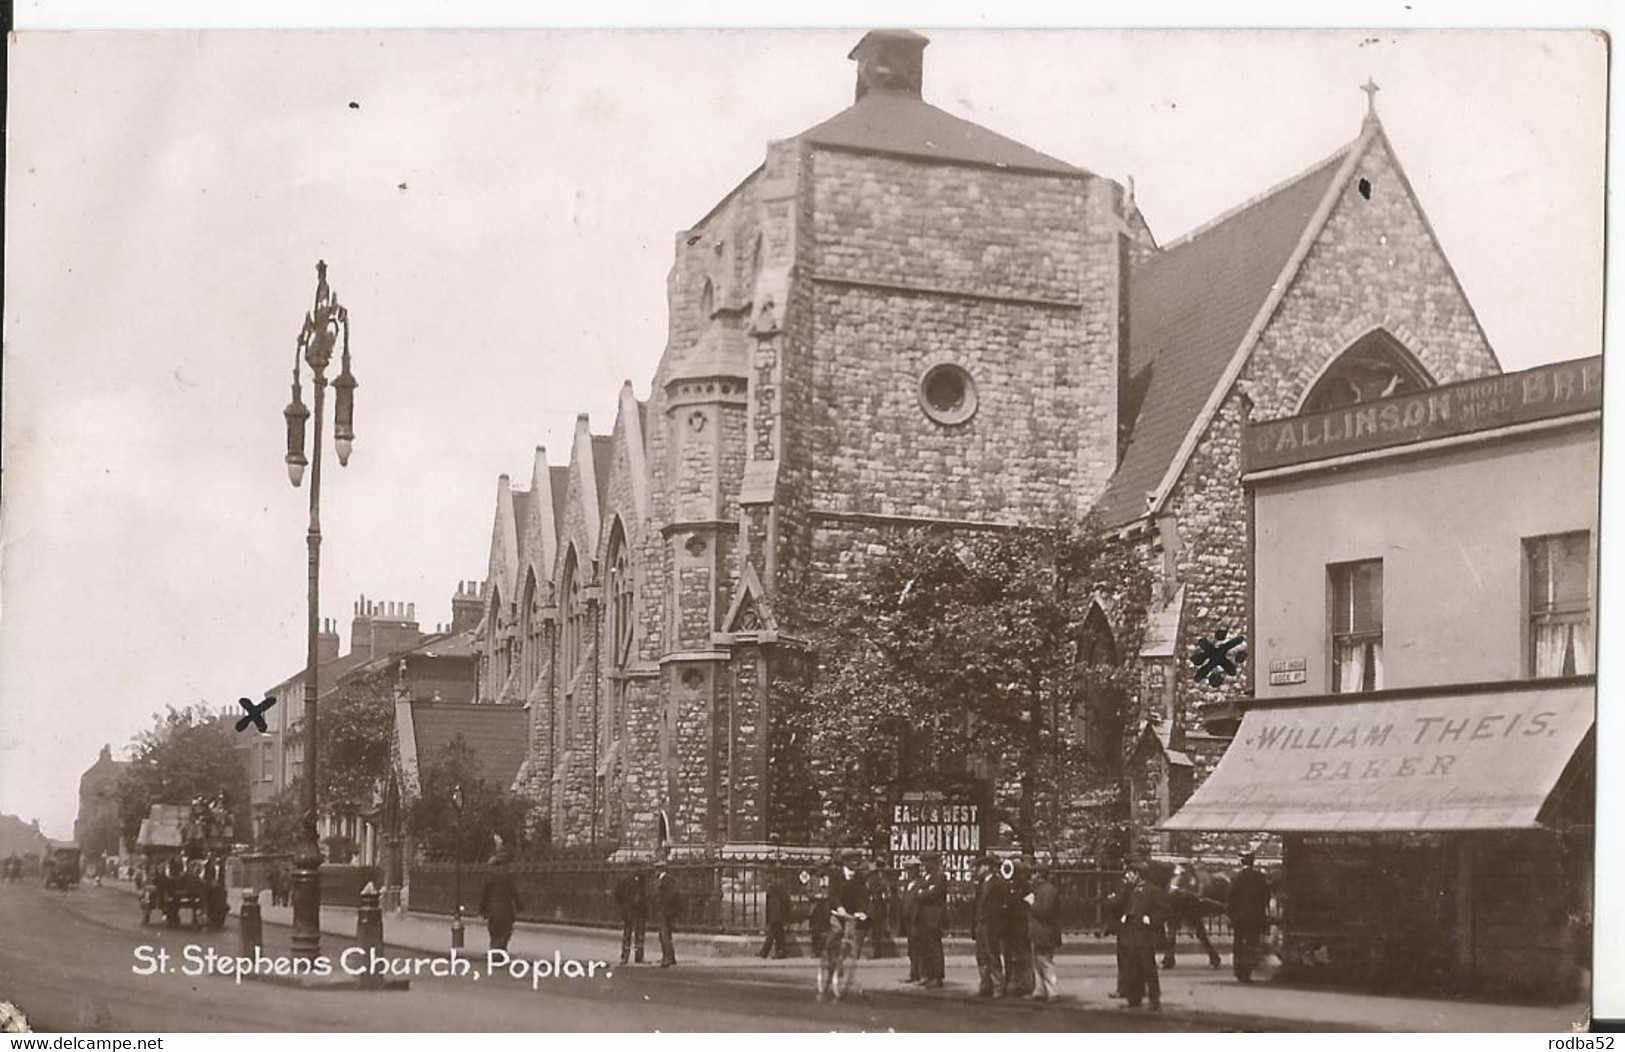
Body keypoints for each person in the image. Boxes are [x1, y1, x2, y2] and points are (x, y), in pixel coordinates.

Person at [819, 850, 870, 1002]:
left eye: (858, 861)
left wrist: (862, 911)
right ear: (846, 861)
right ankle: (829, 954)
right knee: (837, 930)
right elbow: (833, 895)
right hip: (837, 911)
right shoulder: (836, 875)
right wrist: (839, 907)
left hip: (851, 912)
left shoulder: (859, 877)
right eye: (853, 861)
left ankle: (841, 962)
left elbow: (863, 896)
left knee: (850, 937)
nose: (856, 864)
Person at [1115, 863, 1168, 1010]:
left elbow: (1164, 910)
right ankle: (1134, 998)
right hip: (1131, 932)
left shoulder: (1153, 890)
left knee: (1148, 967)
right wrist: (1125, 915)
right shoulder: (1130, 890)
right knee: (1132, 967)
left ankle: (1154, 998)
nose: (1128, 876)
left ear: (1138, 874)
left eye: (1131, 874)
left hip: (1145, 934)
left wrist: (1151, 919)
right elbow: (1127, 906)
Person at [1163, 861, 1223, 970]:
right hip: (1182, 909)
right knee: (1174, 935)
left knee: (1196, 934)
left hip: (1188, 909)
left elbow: (1197, 894)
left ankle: (1214, 957)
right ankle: (1168, 958)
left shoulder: (1190, 880)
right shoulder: (1180, 879)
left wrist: (1183, 892)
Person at [1226, 851, 1271, 983]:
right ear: (1253, 861)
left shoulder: (1237, 877)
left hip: (1240, 917)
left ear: (1241, 862)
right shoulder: (1259, 877)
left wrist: (1230, 914)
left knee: (1238, 943)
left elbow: (1230, 897)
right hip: (1255, 916)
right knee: (1252, 942)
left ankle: (1239, 970)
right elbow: (1266, 896)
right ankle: (1248, 971)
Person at [971, 855, 1007, 998]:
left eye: (980, 866)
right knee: (981, 955)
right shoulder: (981, 883)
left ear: (986, 867)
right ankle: (985, 984)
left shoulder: (998, 883)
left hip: (991, 924)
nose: (978, 869)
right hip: (980, 923)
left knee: (992, 954)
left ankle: (998, 986)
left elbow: (1002, 906)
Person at [1000, 858, 1035, 998]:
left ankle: (1026, 985)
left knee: (1022, 956)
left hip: (1021, 927)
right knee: (1008, 955)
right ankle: (1011, 982)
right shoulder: (1007, 886)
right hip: (1008, 927)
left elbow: (1029, 906)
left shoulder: (1026, 887)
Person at [1027, 862, 1062, 1002]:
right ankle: (1040, 990)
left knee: (1045, 962)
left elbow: (1045, 912)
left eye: (1034, 873)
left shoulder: (1047, 891)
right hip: (1041, 932)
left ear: (1039, 875)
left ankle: (1053, 991)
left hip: (1045, 932)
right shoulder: (1043, 889)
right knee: (1038, 962)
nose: (1032, 876)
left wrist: (1032, 903)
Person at [913, 851, 947, 989]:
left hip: (933, 918)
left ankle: (937, 976)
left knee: (934, 948)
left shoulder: (939, 877)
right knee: (924, 948)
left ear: (933, 863)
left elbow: (930, 894)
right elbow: (918, 893)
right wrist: (922, 893)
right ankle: (927, 974)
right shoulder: (925, 878)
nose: (924, 865)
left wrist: (922, 893)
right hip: (922, 918)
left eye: (927, 862)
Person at [479, 852, 525, 952]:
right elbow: (514, 893)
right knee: (505, 931)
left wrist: (482, 911)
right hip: (506, 909)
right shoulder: (507, 877)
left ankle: (495, 949)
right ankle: (501, 949)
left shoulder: (488, 878)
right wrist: (520, 906)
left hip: (493, 910)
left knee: (494, 931)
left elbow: (484, 896)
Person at [613, 866, 648, 965]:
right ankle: (636, 956)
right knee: (636, 934)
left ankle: (628, 956)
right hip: (635, 911)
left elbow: (617, 893)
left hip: (633, 911)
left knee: (630, 934)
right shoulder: (639, 880)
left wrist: (624, 903)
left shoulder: (629, 879)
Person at [897, 862, 922, 982]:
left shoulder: (920, 883)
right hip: (907, 919)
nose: (909, 872)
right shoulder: (908, 884)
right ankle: (914, 972)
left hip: (916, 919)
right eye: (908, 870)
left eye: (912, 869)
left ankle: (916, 973)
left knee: (917, 947)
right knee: (911, 947)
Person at [655, 860, 682, 967]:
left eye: (657, 869)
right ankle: (669, 956)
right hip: (665, 910)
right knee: (665, 934)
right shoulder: (662, 879)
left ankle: (668, 958)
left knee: (664, 934)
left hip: (667, 911)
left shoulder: (667, 880)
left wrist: (663, 903)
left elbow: (672, 894)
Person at [759, 870, 790, 960]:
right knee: (780, 934)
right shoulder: (776, 884)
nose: (766, 877)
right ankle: (781, 952)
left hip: (776, 913)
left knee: (772, 934)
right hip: (777, 913)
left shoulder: (776, 885)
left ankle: (764, 952)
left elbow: (782, 901)